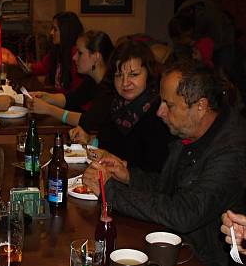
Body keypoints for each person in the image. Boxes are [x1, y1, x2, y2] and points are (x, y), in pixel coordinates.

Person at [82, 62, 246, 266]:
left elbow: (184, 212)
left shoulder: (233, 151)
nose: (159, 112)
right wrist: (128, 176)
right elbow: (169, 187)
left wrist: (109, 190)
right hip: (184, 253)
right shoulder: (194, 132)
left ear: (200, 106)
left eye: (168, 104)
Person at [70, 39, 171, 173]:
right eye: (119, 75)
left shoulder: (159, 112)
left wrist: (116, 163)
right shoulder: (114, 105)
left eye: (133, 75)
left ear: (149, 73)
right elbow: (110, 147)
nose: (125, 83)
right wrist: (90, 141)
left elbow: (155, 171)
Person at [26, 30, 114, 127]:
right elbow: (72, 99)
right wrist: (45, 97)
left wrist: (48, 109)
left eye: (80, 53)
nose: (74, 57)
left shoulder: (110, 88)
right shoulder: (92, 80)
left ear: (96, 57)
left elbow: (88, 120)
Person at [27, 11, 85, 93]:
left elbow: (75, 95)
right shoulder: (57, 50)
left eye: (55, 29)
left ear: (65, 31)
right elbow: (43, 66)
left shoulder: (76, 54)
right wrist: (28, 66)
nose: (51, 33)